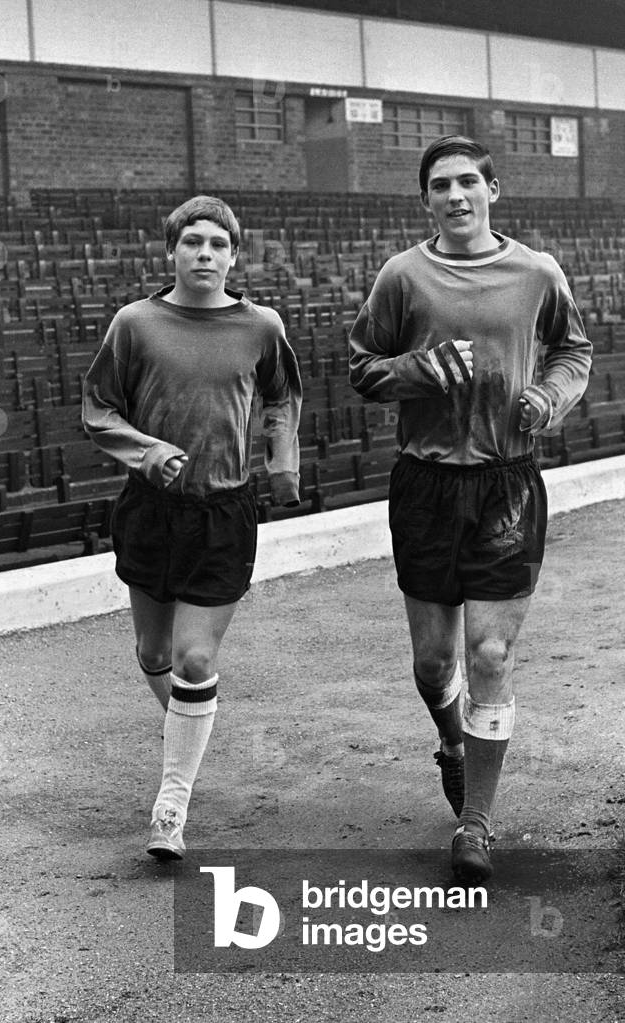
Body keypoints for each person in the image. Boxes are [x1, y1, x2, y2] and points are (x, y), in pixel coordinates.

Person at [348, 136, 592, 883]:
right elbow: (362, 368)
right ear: (424, 200)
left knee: (488, 653)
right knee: (432, 664)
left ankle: (476, 823)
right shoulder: (402, 275)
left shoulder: (535, 271)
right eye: (439, 186)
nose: (454, 196)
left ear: (493, 189)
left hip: (505, 483)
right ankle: (453, 744)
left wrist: (548, 396)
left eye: (467, 183)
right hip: (424, 486)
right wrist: (418, 370)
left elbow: (572, 351)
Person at [82, 196, 302, 860]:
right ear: (171, 251)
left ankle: (169, 808)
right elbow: (96, 408)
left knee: (195, 657)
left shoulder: (261, 325)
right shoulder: (135, 323)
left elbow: (283, 396)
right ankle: (188, 721)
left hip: (224, 512)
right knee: (154, 653)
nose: (204, 254)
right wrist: (149, 451)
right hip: (149, 511)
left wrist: (281, 462)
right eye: (192, 243)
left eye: (217, 245)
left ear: (235, 255)